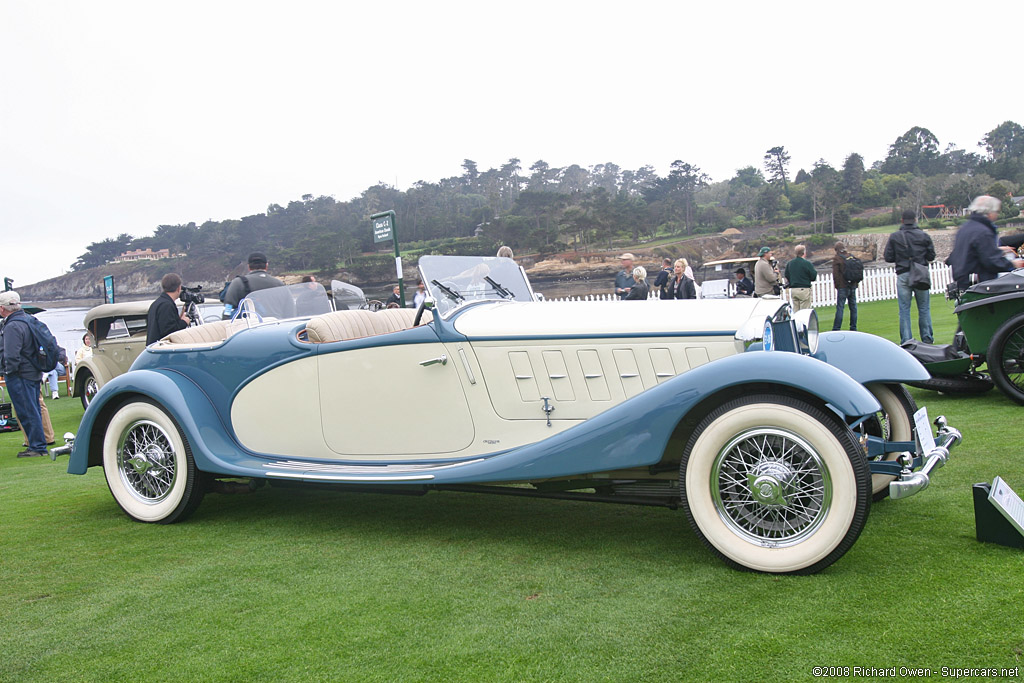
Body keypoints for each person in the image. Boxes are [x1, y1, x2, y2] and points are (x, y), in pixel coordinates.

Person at [0, 290, 49, 457]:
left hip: (20, 374)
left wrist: (7, 370)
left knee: (27, 410)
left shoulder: (12, 325)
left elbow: (11, 354)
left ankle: (37, 446)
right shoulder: (28, 319)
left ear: (2, 308)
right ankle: (37, 444)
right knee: (33, 408)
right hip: (33, 371)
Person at [948, 195, 1024, 292]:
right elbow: (991, 261)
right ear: (989, 213)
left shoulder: (964, 228)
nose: (996, 215)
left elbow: (971, 253)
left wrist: (998, 250)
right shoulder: (983, 232)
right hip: (981, 285)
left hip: (964, 282)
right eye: (996, 212)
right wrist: (1013, 264)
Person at [885, 210, 936, 344]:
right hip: (920, 273)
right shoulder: (923, 236)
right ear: (915, 220)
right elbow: (931, 256)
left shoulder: (895, 237)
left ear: (902, 220)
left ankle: (907, 340)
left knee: (904, 310)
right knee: (924, 309)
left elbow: (888, 257)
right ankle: (927, 338)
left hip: (903, 273)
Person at [222, 252, 286, 319]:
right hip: (276, 326)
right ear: (266, 266)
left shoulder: (238, 283)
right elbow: (290, 311)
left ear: (249, 266)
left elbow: (227, 310)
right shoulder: (280, 284)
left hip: (249, 327)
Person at [146, 273, 191, 345]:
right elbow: (169, 332)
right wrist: (184, 322)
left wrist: (179, 319)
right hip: (163, 350)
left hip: (155, 349)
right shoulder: (166, 305)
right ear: (178, 288)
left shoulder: (157, 303)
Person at [831, 242, 858, 331]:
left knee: (840, 308)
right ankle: (853, 327)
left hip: (842, 286)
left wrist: (837, 286)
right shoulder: (851, 256)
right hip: (852, 285)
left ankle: (836, 328)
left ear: (836, 250)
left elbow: (835, 275)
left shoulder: (837, 259)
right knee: (853, 307)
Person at [784, 244, 817, 312]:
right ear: (804, 253)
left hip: (793, 290)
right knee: (804, 312)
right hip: (803, 289)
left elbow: (786, 275)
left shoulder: (790, 263)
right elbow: (813, 276)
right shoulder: (807, 263)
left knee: (796, 311)